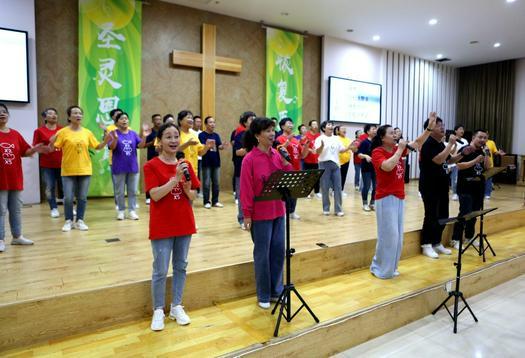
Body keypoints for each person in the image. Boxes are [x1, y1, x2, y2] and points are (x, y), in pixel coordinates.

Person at [144, 122, 200, 331]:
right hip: (162, 225)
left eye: (176, 136)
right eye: (168, 136)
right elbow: (155, 195)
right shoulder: (151, 165)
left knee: (181, 266)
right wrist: (174, 179)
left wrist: (186, 188)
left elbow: (193, 196)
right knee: (160, 269)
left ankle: (176, 306)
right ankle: (158, 309)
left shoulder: (186, 164)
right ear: (160, 141)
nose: (174, 140)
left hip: (184, 222)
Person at [369, 116, 435, 279]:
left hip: (399, 196)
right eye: (391, 133)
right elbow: (387, 166)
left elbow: (418, 143)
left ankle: (390, 267)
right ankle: (379, 268)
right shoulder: (378, 152)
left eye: (395, 133)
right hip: (385, 197)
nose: (395, 135)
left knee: (397, 237)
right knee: (388, 235)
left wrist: (429, 129)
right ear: (383, 137)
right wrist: (400, 150)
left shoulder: (399, 148)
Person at [240, 117, 292, 309]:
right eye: (268, 131)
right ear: (256, 135)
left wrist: (286, 160)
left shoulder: (277, 154)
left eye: (273, 130)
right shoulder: (249, 159)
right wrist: (247, 214)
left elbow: (288, 176)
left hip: (278, 210)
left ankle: (276, 291)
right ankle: (263, 293)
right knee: (262, 254)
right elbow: (245, 189)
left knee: (278, 252)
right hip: (260, 215)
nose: (272, 134)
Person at [50, 105, 112, 232]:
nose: (78, 115)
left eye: (80, 113)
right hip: (68, 170)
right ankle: (68, 221)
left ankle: (80, 220)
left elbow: (97, 146)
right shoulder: (63, 132)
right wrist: (51, 142)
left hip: (85, 169)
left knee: (82, 197)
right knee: (68, 197)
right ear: (69, 117)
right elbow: (55, 147)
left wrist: (105, 141)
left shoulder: (87, 132)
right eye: (75, 113)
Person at [0, 103, 47, 252]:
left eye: (4, 111)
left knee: (16, 209)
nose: (2, 114)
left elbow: (25, 151)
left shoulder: (15, 134)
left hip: (15, 178)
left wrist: (34, 149)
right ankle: (0, 239)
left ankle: (17, 236)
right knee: (0, 210)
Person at [419, 114, 463, 258]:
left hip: (442, 184)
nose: (443, 127)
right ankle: (426, 244)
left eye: (443, 125)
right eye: (439, 125)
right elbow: (438, 160)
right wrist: (450, 144)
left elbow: (448, 160)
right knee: (431, 215)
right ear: (430, 128)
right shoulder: (427, 143)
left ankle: (437, 242)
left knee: (443, 215)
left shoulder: (439, 143)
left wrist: (464, 152)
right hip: (430, 185)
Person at [451, 130, 490, 249]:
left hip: (478, 188)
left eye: (485, 138)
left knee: (474, 214)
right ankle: (455, 239)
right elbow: (459, 166)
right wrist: (475, 161)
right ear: (473, 137)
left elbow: (487, 167)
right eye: (480, 137)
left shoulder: (483, 151)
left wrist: (487, 154)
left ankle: (469, 237)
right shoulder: (465, 149)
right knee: (465, 213)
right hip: (465, 187)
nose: (482, 140)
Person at [108, 112, 146, 220]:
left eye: (126, 118)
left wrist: (144, 136)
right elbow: (111, 147)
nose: (124, 120)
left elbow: (141, 145)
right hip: (119, 167)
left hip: (132, 167)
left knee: (132, 190)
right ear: (116, 122)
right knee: (119, 191)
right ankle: (121, 210)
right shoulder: (112, 133)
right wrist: (115, 139)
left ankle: (132, 211)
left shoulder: (133, 133)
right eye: (121, 119)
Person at [314, 121, 352, 216]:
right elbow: (317, 152)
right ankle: (326, 208)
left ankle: (338, 209)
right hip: (324, 164)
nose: (331, 126)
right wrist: (322, 146)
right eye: (329, 125)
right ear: (324, 128)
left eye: (332, 125)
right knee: (325, 187)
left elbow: (341, 150)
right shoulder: (319, 138)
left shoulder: (336, 138)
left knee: (338, 187)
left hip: (335, 165)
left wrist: (349, 148)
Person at [276, 117, 309, 219]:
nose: (291, 125)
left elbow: (302, 155)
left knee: (294, 193)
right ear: (282, 126)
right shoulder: (279, 139)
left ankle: (292, 212)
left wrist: (307, 145)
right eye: (288, 123)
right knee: (284, 193)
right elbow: (278, 153)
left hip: (296, 169)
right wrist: (288, 140)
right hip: (285, 170)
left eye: (292, 123)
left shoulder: (295, 140)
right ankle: (283, 212)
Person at [33, 107, 63, 218]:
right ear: (45, 117)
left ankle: (68, 207)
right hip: (47, 165)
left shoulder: (62, 130)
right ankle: (53, 208)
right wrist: (48, 146)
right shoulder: (39, 131)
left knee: (64, 187)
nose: (53, 115)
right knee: (49, 187)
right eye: (50, 114)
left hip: (62, 163)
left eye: (55, 114)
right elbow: (35, 147)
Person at [232, 111, 255, 229]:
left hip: (254, 169)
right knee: (242, 195)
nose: (253, 121)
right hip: (241, 168)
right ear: (245, 122)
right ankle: (241, 219)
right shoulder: (239, 134)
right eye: (251, 119)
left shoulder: (257, 134)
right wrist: (253, 150)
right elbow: (237, 152)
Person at [198, 116, 228, 208]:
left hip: (216, 162)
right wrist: (208, 145)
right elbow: (202, 147)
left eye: (214, 122)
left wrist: (223, 146)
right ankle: (206, 201)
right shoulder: (202, 135)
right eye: (210, 122)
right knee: (206, 183)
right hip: (206, 162)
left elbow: (219, 147)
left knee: (216, 183)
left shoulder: (216, 135)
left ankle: (215, 201)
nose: (212, 124)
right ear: (206, 124)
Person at [144, 114, 162, 205]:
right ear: (152, 121)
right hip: (151, 157)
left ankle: (160, 195)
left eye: (159, 119)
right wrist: (152, 142)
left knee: (161, 178)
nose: (158, 121)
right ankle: (148, 197)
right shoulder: (149, 132)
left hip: (162, 158)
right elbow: (144, 145)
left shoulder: (163, 131)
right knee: (151, 178)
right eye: (156, 120)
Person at [358, 124, 378, 211]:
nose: (375, 130)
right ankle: (365, 203)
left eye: (375, 129)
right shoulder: (364, 142)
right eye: (373, 129)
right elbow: (359, 154)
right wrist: (365, 156)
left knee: (376, 186)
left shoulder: (377, 142)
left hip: (376, 168)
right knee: (366, 186)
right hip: (366, 168)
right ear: (368, 131)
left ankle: (372, 203)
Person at [302, 120, 321, 198]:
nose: (315, 126)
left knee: (316, 176)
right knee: (308, 177)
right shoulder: (306, 135)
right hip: (308, 159)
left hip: (317, 160)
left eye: (316, 124)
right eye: (313, 124)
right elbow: (303, 146)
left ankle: (317, 192)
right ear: (310, 126)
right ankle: (307, 192)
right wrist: (310, 150)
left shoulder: (319, 135)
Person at [484, 132, 505, 200]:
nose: (486, 135)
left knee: (489, 180)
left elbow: (495, 152)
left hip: (490, 164)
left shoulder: (491, 142)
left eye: (487, 134)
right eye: (485, 134)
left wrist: (499, 153)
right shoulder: (479, 142)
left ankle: (487, 194)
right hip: (480, 163)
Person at [450, 125, 469, 201]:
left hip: (464, 163)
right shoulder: (452, 140)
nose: (462, 131)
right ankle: (455, 193)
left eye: (463, 129)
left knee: (462, 178)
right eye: (460, 129)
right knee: (455, 179)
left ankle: (461, 192)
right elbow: (450, 152)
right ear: (455, 131)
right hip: (454, 162)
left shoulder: (465, 141)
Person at [335, 126, 354, 195]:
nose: (344, 130)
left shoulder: (348, 139)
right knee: (337, 177)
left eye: (345, 129)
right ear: (338, 131)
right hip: (338, 161)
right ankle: (335, 190)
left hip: (346, 160)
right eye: (342, 129)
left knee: (343, 176)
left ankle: (341, 190)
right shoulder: (336, 138)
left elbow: (352, 148)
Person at [192, 115, 203, 198]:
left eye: (200, 122)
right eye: (197, 122)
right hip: (193, 157)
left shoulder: (201, 133)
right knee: (195, 175)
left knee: (200, 175)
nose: (199, 123)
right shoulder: (190, 132)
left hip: (201, 156)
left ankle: (198, 191)